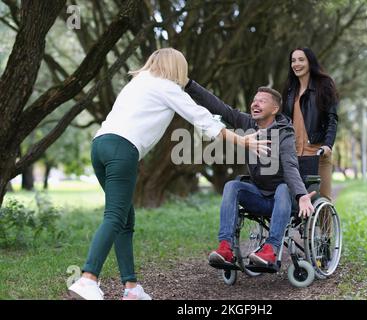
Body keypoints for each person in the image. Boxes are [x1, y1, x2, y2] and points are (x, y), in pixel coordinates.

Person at [68, 48, 270, 300]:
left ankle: (131, 288)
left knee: (124, 219)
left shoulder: (137, 83)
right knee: (114, 217)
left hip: (100, 146)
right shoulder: (166, 86)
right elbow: (202, 118)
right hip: (122, 149)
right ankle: (88, 279)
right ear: (176, 68)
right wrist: (244, 142)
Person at [185, 80, 315, 268]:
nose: (255, 104)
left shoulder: (285, 133)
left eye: (262, 101)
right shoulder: (247, 123)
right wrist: (189, 85)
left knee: (283, 187)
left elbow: (290, 166)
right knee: (232, 186)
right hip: (260, 197)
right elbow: (219, 107)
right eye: (254, 100)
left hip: (284, 200)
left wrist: (302, 195)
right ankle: (226, 247)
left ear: (274, 109)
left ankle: (271, 249)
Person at [282, 47, 339, 201]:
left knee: (323, 199)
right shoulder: (289, 90)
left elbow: (332, 119)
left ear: (310, 62)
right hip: (294, 155)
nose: (296, 64)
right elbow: (284, 122)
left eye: (301, 59)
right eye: (293, 61)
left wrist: (328, 144)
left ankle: (327, 226)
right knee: (294, 201)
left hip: (317, 153)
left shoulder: (324, 85)